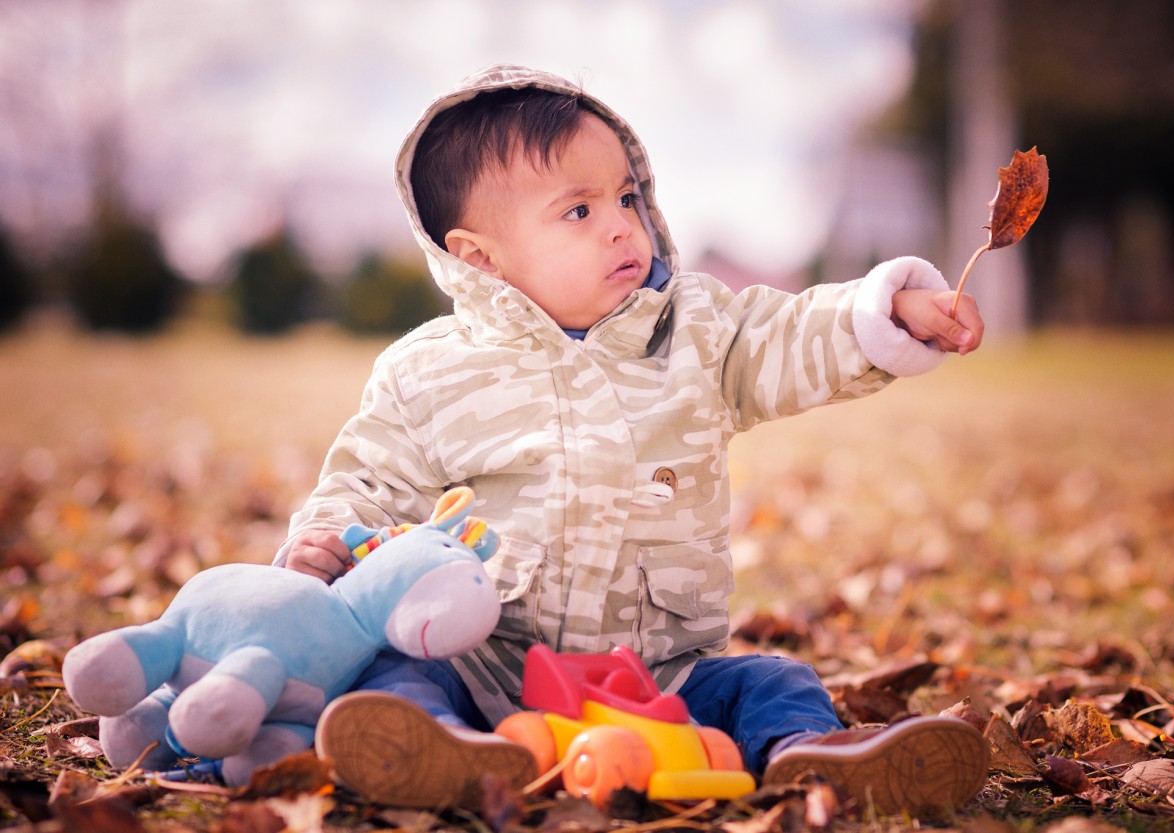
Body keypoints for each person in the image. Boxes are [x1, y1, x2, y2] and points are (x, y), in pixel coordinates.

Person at [276, 65, 990, 816]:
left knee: (775, 682)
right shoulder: (429, 373)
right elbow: (368, 478)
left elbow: (786, 335)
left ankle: (810, 759)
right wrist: (324, 539)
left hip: (659, 675)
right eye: (578, 212)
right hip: (489, 668)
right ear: (481, 258)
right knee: (396, 669)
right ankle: (439, 747)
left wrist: (885, 316)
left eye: (626, 197)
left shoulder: (694, 334)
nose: (622, 223)